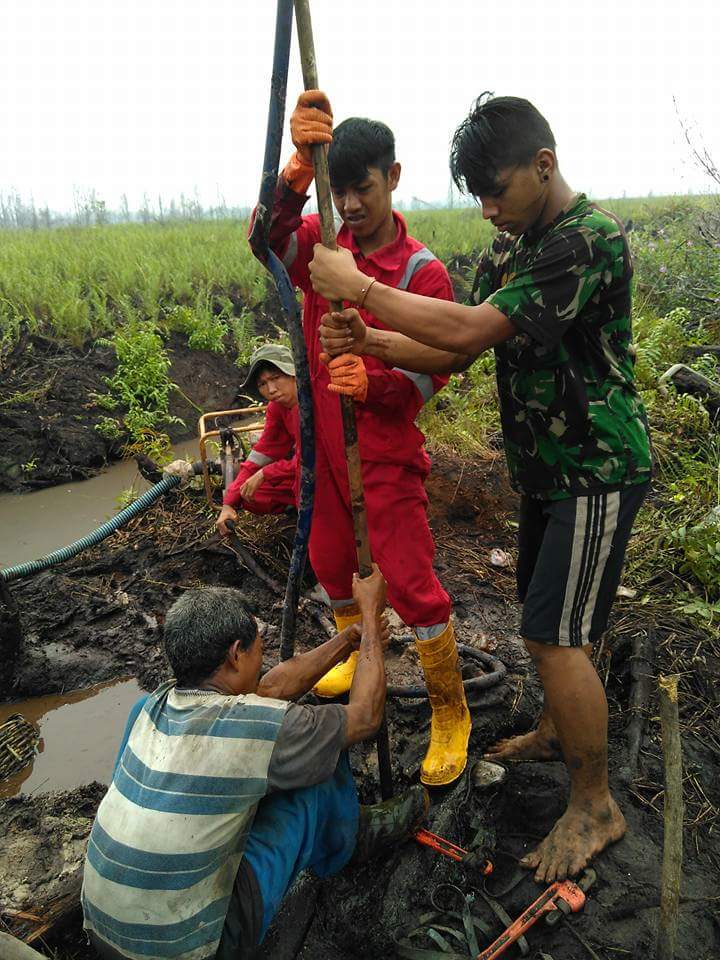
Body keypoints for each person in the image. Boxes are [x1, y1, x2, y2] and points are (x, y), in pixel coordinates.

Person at [308, 93, 653, 883]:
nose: (488, 209)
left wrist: (359, 291)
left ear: (544, 164)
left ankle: (594, 801)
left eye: (496, 191)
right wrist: (373, 339)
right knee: (546, 623)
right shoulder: (515, 247)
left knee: (555, 634)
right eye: (477, 197)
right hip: (546, 470)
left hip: (595, 469)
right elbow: (447, 349)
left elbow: (468, 333)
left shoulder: (583, 240)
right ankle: (553, 729)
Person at [249, 90, 471, 788]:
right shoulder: (321, 240)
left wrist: (374, 384)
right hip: (323, 447)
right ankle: (352, 649)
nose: (348, 204)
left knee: (408, 580)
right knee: (329, 554)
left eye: (362, 189)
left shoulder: (419, 271)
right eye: (337, 191)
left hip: (381, 448)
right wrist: (290, 180)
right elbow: (265, 243)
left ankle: (450, 709)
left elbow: (434, 375)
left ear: (394, 177)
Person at [81, 567, 428, 960]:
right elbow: (365, 716)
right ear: (235, 654)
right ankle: (351, 839)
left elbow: (271, 689)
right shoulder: (255, 727)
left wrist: (349, 640)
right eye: (258, 648)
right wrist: (368, 613)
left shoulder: (149, 708)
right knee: (314, 769)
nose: (262, 658)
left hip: (102, 933)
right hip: (192, 949)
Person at [164, 344, 299, 527]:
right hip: (303, 472)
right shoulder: (277, 408)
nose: (271, 389)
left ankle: (311, 509)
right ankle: (296, 507)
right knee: (248, 493)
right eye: (262, 384)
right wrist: (228, 504)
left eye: (276, 378)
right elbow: (261, 454)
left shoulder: (316, 400)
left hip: (331, 472)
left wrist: (266, 473)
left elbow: (318, 459)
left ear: (294, 373)